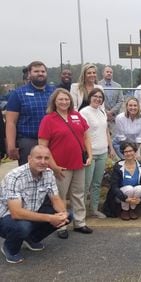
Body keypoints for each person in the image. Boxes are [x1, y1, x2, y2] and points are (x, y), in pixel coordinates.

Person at [0, 145, 71, 264]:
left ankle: (30, 238)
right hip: (6, 217)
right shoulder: (14, 177)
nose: (43, 162)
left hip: (31, 212)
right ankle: (9, 248)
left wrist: (62, 214)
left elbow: (56, 199)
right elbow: (16, 213)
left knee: (68, 216)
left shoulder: (48, 173)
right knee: (23, 227)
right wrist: (50, 218)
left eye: (46, 158)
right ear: (29, 158)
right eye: (38, 157)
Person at [38, 88, 94, 239]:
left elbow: (86, 137)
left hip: (79, 163)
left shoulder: (77, 115)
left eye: (66, 99)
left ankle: (80, 222)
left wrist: (90, 154)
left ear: (71, 100)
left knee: (78, 194)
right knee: (59, 196)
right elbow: (43, 146)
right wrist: (54, 166)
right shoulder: (48, 119)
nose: (64, 102)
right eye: (60, 99)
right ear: (54, 102)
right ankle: (61, 225)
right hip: (60, 166)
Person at [6, 61, 55, 165]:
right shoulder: (18, 94)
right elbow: (11, 122)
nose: (40, 73)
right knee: (30, 176)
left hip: (53, 140)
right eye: (36, 71)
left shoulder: (54, 92)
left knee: (52, 175)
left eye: (43, 71)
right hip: (29, 141)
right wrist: (11, 146)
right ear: (29, 74)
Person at [79, 88, 116, 219]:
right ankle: (80, 212)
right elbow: (82, 134)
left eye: (100, 97)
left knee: (96, 183)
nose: (98, 99)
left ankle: (94, 209)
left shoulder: (102, 112)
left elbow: (106, 131)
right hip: (90, 153)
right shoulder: (84, 112)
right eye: (95, 96)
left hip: (102, 152)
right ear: (90, 97)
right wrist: (87, 153)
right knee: (86, 183)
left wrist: (110, 147)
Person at [103, 142, 141, 220]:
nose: (129, 153)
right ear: (123, 153)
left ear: (135, 151)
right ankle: (125, 210)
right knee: (129, 188)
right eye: (126, 152)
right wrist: (125, 199)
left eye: (131, 151)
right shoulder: (118, 166)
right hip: (120, 195)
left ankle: (132, 209)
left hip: (136, 194)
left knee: (140, 188)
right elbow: (114, 186)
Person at [98, 66, 124, 135]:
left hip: (114, 118)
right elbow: (97, 101)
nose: (109, 73)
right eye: (107, 72)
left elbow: (120, 101)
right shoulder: (97, 85)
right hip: (101, 116)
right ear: (103, 73)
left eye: (111, 72)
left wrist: (111, 112)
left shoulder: (118, 86)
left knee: (115, 139)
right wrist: (106, 112)